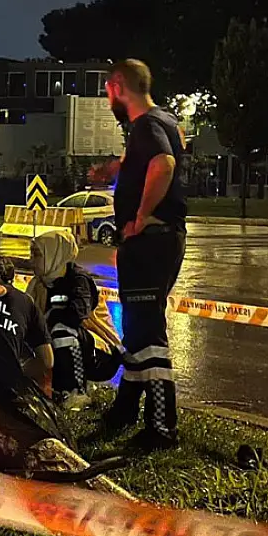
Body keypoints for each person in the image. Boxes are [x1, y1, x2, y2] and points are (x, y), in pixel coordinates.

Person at [103, 59, 187, 451]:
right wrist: (117, 169)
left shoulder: (147, 124)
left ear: (120, 85)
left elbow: (164, 163)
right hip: (159, 242)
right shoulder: (166, 121)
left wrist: (140, 217)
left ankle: (161, 426)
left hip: (150, 242)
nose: (108, 100)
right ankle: (124, 410)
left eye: (108, 91)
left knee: (148, 332)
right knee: (136, 329)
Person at [25, 230, 122, 410]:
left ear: (54, 254)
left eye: (37, 254)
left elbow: (77, 314)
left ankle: (77, 393)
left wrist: (47, 319)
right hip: (70, 345)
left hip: (101, 351)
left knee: (61, 329)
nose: (31, 260)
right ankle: (56, 390)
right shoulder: (39, 283)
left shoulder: (78, 280)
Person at [0, 254, 53, 393]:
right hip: (4, 387)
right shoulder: (26, 302)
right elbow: (47, 361)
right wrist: (15, 370)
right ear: (11, 281)